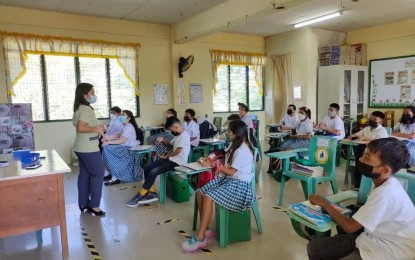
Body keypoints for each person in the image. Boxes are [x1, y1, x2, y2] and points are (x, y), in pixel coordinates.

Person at [307, 138, 415, 260]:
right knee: (314, 248)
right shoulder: (383, 182)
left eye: (367, 158)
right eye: (364, 154)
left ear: (384, 170)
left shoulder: (385, 194)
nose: (360, 159)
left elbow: (350, 227)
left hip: (390, 250)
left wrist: (324, 203)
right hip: (370, 237)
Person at [181, 119, 255, 252]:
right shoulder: (235, 144)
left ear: (236, 133)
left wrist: (217, 166)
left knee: (208, 196)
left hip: (240, 186)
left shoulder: (242, 150)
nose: (227, 133)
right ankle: (205, 228)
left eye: (229, 131)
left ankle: (200, 236)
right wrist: (210, 159)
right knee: (199, 191)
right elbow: (223, 153)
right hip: (229, 180)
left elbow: (231, 171)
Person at [126, 116, 190, 206]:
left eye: (171, 129)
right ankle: (152, 193)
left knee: (153, 172)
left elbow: (177, 151)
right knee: (147, 167)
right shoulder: (178, 135)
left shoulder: (185, 135)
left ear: (176, 127)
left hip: (178, 162)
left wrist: (166, 156)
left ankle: (141, 194)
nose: (171, 131)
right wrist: (163, 139)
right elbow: (170, 144)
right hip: (171, 159)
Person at [72, 82, 106, 217]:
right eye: (92, 92)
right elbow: (81, 128)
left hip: (80, 147)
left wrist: (98, 127)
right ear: (85, 95)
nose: (94, 95)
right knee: (98, 173)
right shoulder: (86, 109)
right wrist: (97, 129)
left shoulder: (79, 107)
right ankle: (95, 206)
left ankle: (83, 203)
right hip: (88, 148)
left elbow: (82, 126)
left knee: (85, 174)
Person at [102, 110, 144, 186]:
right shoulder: (124, 126)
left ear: (129, 118)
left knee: (107, 149)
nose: (121, 116)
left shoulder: (129, 127)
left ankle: (115, 176)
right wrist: (107, 138)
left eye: (123, 115)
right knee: (107, 147)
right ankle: (110, 173)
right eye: (121, 114)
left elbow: (122, 140)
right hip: (125, 146)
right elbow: (118, 135)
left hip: (130, 149)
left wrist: (108, 142)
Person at [349, 111, 388, 189]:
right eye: (371, 118)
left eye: (375, 119)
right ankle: (358, 182)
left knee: (364, 164)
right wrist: (352, 136)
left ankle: (363, 184)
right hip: (363, 150)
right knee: (359, 161)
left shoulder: (382, 131)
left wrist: (365, 139)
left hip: (375, 153)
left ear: (381, 121)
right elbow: (358, 134)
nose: (372, 120)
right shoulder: (367, 129)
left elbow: (379, 142)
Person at [102, 106, 123, 179]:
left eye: (113, 113)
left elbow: (119, 135)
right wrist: (105, 130)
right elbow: (110, 131)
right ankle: (106, 171)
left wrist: (108, 139)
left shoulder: (120, 122)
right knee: (102, 147)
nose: (111, 114)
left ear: (119, 113)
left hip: (115, 140)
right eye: (110, 113)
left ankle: (108, 172)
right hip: (109, 138)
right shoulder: (113, 120)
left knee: (105, 149)